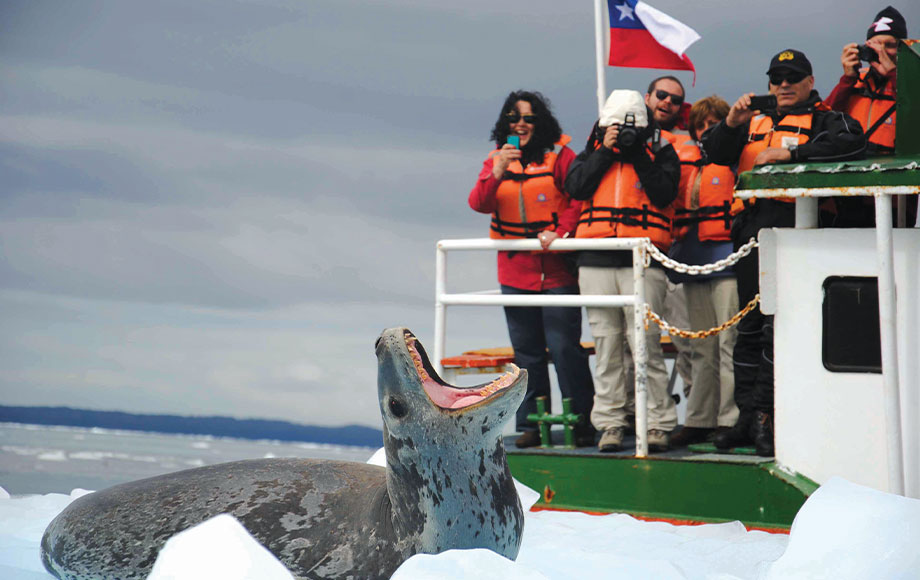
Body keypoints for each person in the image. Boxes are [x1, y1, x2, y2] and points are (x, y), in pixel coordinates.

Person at [703, 49, 864, 456]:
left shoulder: (827, 120)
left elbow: (852, 142)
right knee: (749, 327)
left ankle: (767, 417)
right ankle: (746, 418)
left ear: (810, 82)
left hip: (798, 236)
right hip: (751, 234)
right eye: (777, 78)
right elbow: (714, 152)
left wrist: (792, 154)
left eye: (793, 77)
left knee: (781, 329)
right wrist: (731, 122)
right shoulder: (750, 122)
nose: (784, 85)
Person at [469, 90, 596, 448]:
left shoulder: (560, 156)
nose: (521, 124)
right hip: (515, 272)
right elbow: (479, 203)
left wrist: (560, 232)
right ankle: (531, 424)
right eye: (514, 118)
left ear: (541, 122)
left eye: (528, 118)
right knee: (526, 354)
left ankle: (581, 421)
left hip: (556, 270)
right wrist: (497, 170)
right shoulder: (496, 159)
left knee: (564, 348)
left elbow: (579, 199)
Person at [565, 90, 680, 452]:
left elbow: (664, 194)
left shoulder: (661, 152)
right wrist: (605, 151)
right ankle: (610, 424)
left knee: (646, 346)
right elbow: (575, 187)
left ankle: (658, 423)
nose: (624, 132)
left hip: (642, 261)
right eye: (615, 126)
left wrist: (638, 154)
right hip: (596, 261)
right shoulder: (592, 152)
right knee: (606, 346)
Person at [668, 96, 740, 447]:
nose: (707, 130)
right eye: (700, 125)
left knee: (729, 343)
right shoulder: (684, 163)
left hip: (728, 260)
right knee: (700, 346)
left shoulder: (738, 159)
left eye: (714, 123)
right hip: (693, 260)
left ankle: (730, 418)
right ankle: (699, 419)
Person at [825, 6, 908, 227]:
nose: (882, 52)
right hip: (849, 191)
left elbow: (913, 111)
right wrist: (847, 79)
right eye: (876, 45)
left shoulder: (911, 82)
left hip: (894, 194)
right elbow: (824, 118)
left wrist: (894, 76)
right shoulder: (853, 82)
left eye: (890, 45)